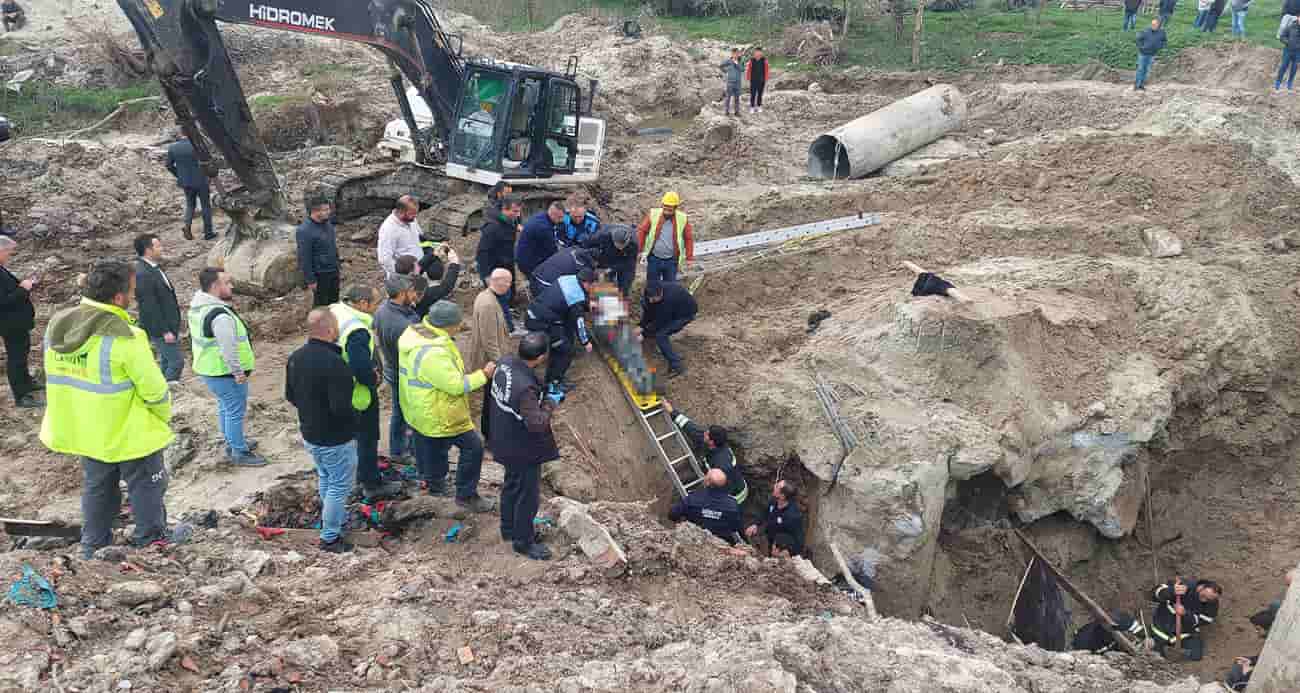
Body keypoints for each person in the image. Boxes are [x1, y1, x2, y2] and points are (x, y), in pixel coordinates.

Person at [41, 260, 174, 559]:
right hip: (128, 432)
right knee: (147, 486)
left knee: (97, 488)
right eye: (132, 291)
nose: (134, 296)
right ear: (118, 298)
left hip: (84, 429)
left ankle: (93, 545)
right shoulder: (125, 336)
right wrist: (162, 417)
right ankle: (151, 541)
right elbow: (154, 390)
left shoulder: (58, 325)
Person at [397, 300, 496, 512]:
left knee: (434, 447)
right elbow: (456, 385)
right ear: (447, 325)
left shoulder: (416, 334)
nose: (460, 327)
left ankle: (435, 485)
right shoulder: (433, 352)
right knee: (473, 447)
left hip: (419, 407)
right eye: (458, 323)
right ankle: (466, 495)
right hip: (440, 412)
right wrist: (484, 375)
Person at [285, 309, 358, 553]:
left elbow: (290, 396)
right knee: (339, 485)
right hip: (335, 438)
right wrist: (356, 420)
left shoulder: (295, 357)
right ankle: (330, 537)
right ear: (329, 331)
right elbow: (341, 408)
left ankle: (329, 520)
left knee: (326, 478)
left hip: (310, 433)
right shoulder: (336, 364)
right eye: (336, 327)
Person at [487, 332, 558, 561]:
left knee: (511, 484)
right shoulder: (525, 389)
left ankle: (508, 529)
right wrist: (550, 402)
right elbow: (537, 424)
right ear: (540, 357)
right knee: (528, 495)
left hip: (502, 437)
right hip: (521, 448)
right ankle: (523, 542)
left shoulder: (505, 363)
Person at [189, 268, 266, 467]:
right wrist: (238, 372)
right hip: (224, 372)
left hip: (210, 370)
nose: (232, 286)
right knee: (234, 410)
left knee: (225, 407)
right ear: (215, 286)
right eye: (227, 282)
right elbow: (228, 348)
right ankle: (239, 452)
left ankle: (233, 441)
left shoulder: (198, 306)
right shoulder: (219, 315)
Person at [330, 285, 401, 501]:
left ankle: (354, 477)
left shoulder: (336, 310)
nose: (377, 307)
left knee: (351, 438)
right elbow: (360, 367)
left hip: (337, 387)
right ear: (362, 303)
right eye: (375, 303)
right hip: (359, 395)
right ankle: (371, 483)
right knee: (368, 437)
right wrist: (373, 379)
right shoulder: (357, 330)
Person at [374, 274, 424, 462]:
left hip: (392, 368)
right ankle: (405, 451)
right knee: (408, 412)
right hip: (404, 372)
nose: (414, 294)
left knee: (399, 410)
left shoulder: (382, 310)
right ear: (402, 293)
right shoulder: (404, 325)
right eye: (411, 291)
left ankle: (398, 449)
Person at [523, 268, 595, 398]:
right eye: (592, 285)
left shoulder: (569, 278)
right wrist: (585, 342)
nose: (592, 288)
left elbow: (566, 304)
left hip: (534, 312)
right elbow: (578, 322)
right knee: (565, 351)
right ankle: (553, 384)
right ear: (586, 283)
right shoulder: (575, 297)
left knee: (563, 339)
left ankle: (552, 375)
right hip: (541, 322)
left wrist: (586, 304)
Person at [662, 400, 746, 502]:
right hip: (728, 486)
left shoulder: (722, 463)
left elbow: (719, 487)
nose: (704, 433)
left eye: (707, 434)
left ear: (711, 442)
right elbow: (690, 427)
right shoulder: (714, 442)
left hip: (735, 497)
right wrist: (672, 411)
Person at [467, 268, 513, 437]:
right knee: (491, 401)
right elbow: (489, 340)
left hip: (491, 361)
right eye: (508, 282)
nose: (509, 285)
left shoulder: (487, 297)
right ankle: (489, 435)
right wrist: (502, 364)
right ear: (499, 282)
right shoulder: (488, 304)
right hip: (490, 363)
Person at [133, 234, 183, 383]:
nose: (162, 248)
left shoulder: (152, 268)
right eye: (158, 246)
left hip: (168, 324)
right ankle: (168, 393)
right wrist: (164, 330)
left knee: (167, 361)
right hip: (160, 328)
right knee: (176, 363)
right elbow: (149, 305)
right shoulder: (143, 273)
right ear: (148, 250)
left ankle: (162, 386)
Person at [0, 235, 41, 408]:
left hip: (17, 322)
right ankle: (21, 395)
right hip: (10, 324)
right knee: (16, 358)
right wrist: (23, 289)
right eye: (8, 252)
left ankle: (27, 383)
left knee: (22, 353)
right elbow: (3, 301)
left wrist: (25, 286)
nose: (10, 255)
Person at [475, 195, 522, 334]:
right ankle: (509, 329)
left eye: (519, 211)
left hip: (506, 263)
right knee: (499, 299)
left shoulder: (511, 221)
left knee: (507, 295)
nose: (517, 215)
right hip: (493, 268)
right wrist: (487, 276)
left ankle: (508, 316)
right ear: (504, 209)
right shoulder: (492, 228)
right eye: (514, 211)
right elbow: (482, 253)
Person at [635, 279, 697, 378]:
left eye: (654, 299)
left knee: (661, 335)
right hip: (671, 311)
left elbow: (659, 323)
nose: (651, 301)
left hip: (685, 314)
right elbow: (649, 313)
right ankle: (670, 353)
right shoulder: (650, 295)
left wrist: (643, 335)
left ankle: (677, 366)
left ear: (661, 294)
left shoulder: (669, 299)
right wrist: (640, 326)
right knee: (657, 332)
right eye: (649, 298)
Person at [1149, 577, 1221, 661]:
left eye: (1208, 600)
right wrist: (1171, 591)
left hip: (1183, 632)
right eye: (1203, 596)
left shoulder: (1212, 602)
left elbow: (1205, 620)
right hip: (1163, 625)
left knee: (1196, 654)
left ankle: (1174, 656)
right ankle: (1161, 651)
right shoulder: (1183, 585)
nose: (1204, 600)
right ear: (1200, 588)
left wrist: (1185, 614)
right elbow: (1154, 593)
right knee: (1156, 648)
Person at [668, 468, 742, 544]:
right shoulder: (732, 504)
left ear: (707, 482)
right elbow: (735, 527)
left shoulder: (692, 499)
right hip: (721, 543)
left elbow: (672, 514)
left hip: (695, 541)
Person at [637, 191, 694, 284]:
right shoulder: (653, 214)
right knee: (652, 286)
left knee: (670, 287)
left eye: (670, 210)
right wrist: (639, 250)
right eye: (665, 209)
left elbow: (688, 238)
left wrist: (689, 258)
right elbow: (642, 231)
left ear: (675, 208)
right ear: (662, 205)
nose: (666, 212)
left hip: (672, 261)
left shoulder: (682, 218)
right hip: (654, 259)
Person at [165, 134, 214, 241]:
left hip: (186, 182)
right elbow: (208, 162)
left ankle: (187, 226)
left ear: (180, 135)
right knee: (205, 206)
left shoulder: (173, 147)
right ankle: (208, 233)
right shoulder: (198, 146)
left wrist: (179, 175)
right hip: (201, 180)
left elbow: (168, 165)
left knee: (190, 205)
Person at [297, 197, 341, 307]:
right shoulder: (304, 231)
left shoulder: (327, 224)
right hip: (320, 274)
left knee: (334, 302)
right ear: (315, 211)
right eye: (325, 210)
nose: (329, 212)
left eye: (328, 209)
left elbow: (332, 246)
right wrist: (311, 280)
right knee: (321, 305)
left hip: (333, 270)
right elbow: (304, 257)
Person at [745, 480, 804, 557]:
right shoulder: (774, 501)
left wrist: (788, 552)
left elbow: (798, 538)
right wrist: (755, 524)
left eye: (777, 487)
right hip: (771, 537)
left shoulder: (792, 516)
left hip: (782, 546)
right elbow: (765, 513)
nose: (774, 485)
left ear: (782, 496)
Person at [581, 223, 638, 297]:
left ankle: (621, 300)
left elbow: (628, 264)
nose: (620, 247)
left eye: (622, 245)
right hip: (608, 254)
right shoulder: (603, 235)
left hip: (625, 258)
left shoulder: (634, 243)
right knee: (603, 280)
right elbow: (587, 244)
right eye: (617, 244)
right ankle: (603, 299)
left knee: (625, 283)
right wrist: (593, 262)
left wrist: (611, 269)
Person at [516, 202, 564, 289]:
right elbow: (553, 253)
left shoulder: (541, 216)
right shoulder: (544, 228)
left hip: (524, 254)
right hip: (528, 263)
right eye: (559, 217)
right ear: (552, 214)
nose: (561, 220)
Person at [377, 195, 424, 279]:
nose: (415, 216)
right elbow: (384, 259)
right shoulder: (388, 229)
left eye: (416, 213)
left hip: (419, 269)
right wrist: (403, 274)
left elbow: (419, 236)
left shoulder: (411, 219)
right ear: (401, 212)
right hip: (405, 277)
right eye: (412, 214)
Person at [411, 245, 462, 319]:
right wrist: (454, 263)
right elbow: (447, 286)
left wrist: (433, 254)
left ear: (426, 273)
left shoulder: (414, 286)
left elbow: (416, 270)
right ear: (443, 272)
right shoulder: (433, 293)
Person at [1071, 611, 1147, 654]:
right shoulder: (1087, 641)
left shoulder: (1125, 621)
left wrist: (1145, 640)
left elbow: (1142, 633)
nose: (1131, 637)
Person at [531, 247, 595, 297]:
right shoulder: (574, 269)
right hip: (542, 286)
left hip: (535, 275)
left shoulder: (571, 250)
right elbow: (577, 291)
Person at [1135, 19, 1168, 91]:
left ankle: (1141, 85)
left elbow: (1164, 41)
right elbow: (1138, 39)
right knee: (1140, 69)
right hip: (1143, 54)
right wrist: (1141, 47)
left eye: (1155, 25)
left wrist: (1160, 46)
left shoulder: (1161, 32)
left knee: (1147, 70)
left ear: (1158, 25)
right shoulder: (1146, 31)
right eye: (1152, 24)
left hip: (1152, 54)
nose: (1153, 26)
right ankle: (1137, 85)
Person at [719, 48, 743, 117]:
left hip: (738, 82)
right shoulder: (728, 61)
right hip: (730, 82)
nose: (736, 55)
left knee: (737, 98)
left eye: (737, 54)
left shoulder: (740, 61)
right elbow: (721, 66)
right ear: (732, 54)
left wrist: (736, 64)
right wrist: (725, 71)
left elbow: (742, 69)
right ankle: (726, 111)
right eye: (734, 53)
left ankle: (737, 112)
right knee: (728, 97)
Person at [1277, 19, 1300, 92]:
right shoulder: (1290, 26)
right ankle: (1278, 82)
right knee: (1283, 66)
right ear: (1298, 18)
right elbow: (1282, 36)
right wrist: (1288, 42)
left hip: (1298, 52)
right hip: (1288, 50)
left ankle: (1289, 83)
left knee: (1294, 68)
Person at [746, 47, 770, 114]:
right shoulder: (752, 60)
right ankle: (752, 107)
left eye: (759, 52)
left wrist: (766, 78)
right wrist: (748, 78)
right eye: (756, 52)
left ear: (761, 53)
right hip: (753, 80)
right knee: (753, 94)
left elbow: (767, 70)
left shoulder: (764, 60)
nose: (758, 53)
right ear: (754, 53)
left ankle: (759, 106)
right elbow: (749, 69)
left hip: (761, 80)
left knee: (760, 94)